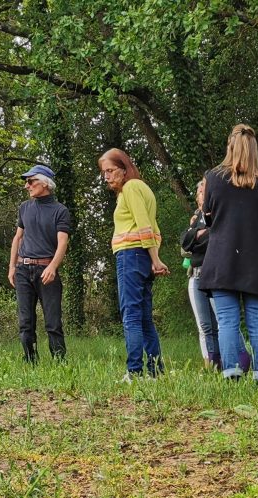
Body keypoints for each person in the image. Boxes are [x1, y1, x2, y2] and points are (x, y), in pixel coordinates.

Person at [199, 124, 258, 381]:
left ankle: (232, 372)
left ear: (229, 146)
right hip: (257, 262)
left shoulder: (213, 178)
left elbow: (209, 217)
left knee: (227, 322)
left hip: (223, 259)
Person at [100, 148, 170, 380]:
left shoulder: (130, 188)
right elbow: (153, 228)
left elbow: (144, 226)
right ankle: (155, 370)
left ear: (124, 168)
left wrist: (156, 259)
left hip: (130, 255)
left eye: (110, 170)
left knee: (130, 314)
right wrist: (153, 257)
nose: (107, 177)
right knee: (143, 317)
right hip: (141, 256)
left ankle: (135, 371)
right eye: (104, 173)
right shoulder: (143, 189)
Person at [8, 164, 70, 363]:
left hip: (46, 271)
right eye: (26, 182)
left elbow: (63, 243)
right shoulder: (24, 208)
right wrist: (12, 267)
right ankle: (30, 361)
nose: (27, 186)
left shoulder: (60, 211)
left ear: (45, 183)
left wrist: (53, 267)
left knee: (53, 323)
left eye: (30, 181)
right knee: (25, 322)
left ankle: (60, 364)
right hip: (23, 270)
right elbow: (18, 238)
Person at [181, 179, 222, 369]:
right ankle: (210, 364)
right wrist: (196, 236)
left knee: (221, 322)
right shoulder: (195, 218)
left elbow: (213, 240)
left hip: (214, 273)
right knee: (204, 326)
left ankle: (230, 360)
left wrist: (195, 238)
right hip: (195, 275)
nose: (201, 196)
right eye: (199, 193)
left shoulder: (219, 214)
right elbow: (184, 244)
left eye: (204, 192)